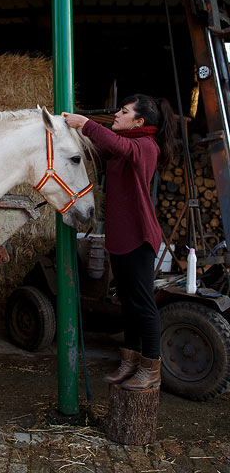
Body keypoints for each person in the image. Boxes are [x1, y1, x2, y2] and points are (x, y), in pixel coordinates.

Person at [63, 94, 176, 391]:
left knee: (143, 305)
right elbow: (97, 150)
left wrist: (86, 123)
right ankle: (131, 362)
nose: (116, 114)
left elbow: (118, 145)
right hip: (122, 239)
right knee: (128, 304)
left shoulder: (145, 147)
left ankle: (151, 368)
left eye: (123, 112)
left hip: (139, 238)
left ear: (140, 121)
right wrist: (69, 131)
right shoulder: (122, 146)